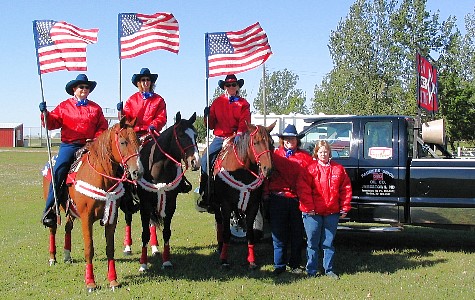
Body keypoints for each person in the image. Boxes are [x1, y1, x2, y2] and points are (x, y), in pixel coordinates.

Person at [39, 74, 108, 228]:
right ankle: (50, 209)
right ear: (74, 89)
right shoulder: (64, 106)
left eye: (86, 87)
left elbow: (102, 127)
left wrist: (95, 140)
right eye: (81, 87)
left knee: (111, 169)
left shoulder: (95, 108)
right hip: (69, 146)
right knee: (59, 171)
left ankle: (111, 208)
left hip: (90, 146)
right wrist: (45, 115)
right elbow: (52, 123)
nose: (84, 89)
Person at [297, 140, 352, 279]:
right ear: (316, 153)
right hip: (312, 213)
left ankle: (329, 270)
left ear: (329, 153)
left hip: (331, 213)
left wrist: (345, 207)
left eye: (326, 152)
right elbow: (304, 190)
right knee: (312, 243)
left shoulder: (338, 169)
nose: (323, 154)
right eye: (320, 152)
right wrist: (309, 208)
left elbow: (345, 189)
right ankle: (311, 270)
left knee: (328, 243)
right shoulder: (309, 169)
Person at [197, 74, 251, 212]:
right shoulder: (217, 102)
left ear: (237, 87)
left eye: (234, 85)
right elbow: (211, 124)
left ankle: (258, 188)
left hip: (237, 137)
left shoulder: (243, 103)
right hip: (220, 138)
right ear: (224, 87)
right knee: (205, 159)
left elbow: (244, 121)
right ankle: (205, 191)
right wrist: (207, 116)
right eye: (228, 85)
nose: (231, 87)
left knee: (255, 156)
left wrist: (239, 133)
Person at [264, 124, 313, 275]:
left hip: (297, 200)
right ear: (282, 140)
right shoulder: (274, 155)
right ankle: (279, 265)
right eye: (286, 138)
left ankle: (295, 264)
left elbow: (312, 178)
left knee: (297, 234)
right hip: (277, 199)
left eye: (292, 138)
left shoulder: (305, 157)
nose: (289, 141)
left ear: (297, 140)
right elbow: (265, 176)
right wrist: (266, 193)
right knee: (278, 234)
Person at [116, 68, 167, 137]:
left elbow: (161, 117)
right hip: (134, 134)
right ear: (139, 82)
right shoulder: (131, 100)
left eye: (148, 79)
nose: (146, 82)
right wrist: (120, 111)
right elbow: (125, 119)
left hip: (151, 134)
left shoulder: (159, 100)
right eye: (143, 80)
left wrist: (154, 125)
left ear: (151, 82)